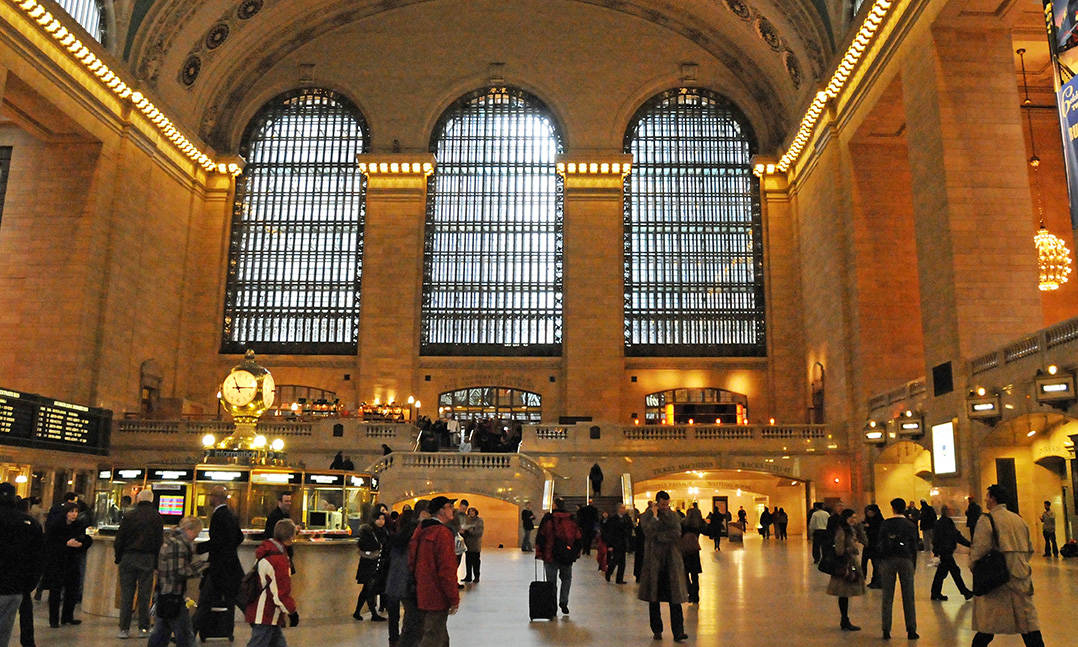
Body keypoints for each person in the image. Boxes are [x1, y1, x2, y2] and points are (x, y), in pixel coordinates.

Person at [970, 484, 1045, 647]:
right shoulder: (1018, 520)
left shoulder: (987, 520)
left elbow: (979, 550)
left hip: (997, 578)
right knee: (1028, 625)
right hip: (1020, 576)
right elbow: (1029, 549)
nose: (985, 499)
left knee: (987, 626)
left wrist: (974, 567)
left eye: (987, 496)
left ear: (993, 498)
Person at [147, 516, 207, 647]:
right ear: (188, 529)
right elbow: (178, 572)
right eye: (196, 533)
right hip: (173, 593)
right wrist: (199, 567)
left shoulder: (172, 541)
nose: (196, 537)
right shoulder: (178, 545)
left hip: (165, 593)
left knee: (161, 632)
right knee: (185, 635)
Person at [409, 497, 460, 647]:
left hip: (423, 590)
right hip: (438, 594)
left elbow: (412, 559)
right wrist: (453, 597)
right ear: (441, 511)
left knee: (439, 635)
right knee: (433, 636)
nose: (453, 510)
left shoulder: (421, 529)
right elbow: (447, 569)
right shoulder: (443, 533)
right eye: (450, 506)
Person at [193, 486, 244, 634]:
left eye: (211, 495)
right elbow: (238, 537)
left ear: (215, 497)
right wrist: (230, 549)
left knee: (205, 600)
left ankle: (190, 632)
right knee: (235, 599)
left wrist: (198, 548)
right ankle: (227, 630)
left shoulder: (218, 516)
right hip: (230, 566)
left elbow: (217, 541)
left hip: (218, 567)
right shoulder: (230, 514)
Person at [638, 492, 688, 643]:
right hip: (654, 562)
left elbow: (676, 532)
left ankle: (678, 632)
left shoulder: (673, 516)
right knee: (654, 598)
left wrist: (659, 536)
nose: (665, 507)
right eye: (662, 504)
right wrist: (654, 517)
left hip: (671, 561)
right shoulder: (647, 516)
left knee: (675, 599)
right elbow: (648, 531)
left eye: (667, 504)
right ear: (656, 503)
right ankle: (657, 629)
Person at [115, 488, 164, 638]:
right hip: (147, 558)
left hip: (128, 557)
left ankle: (124, 629)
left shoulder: (128, 516)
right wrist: (156, 563)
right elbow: (158, 542)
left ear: (138, 499)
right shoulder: (157, 517)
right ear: (152, 499)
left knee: (127, 594)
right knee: (144, 594)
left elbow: (120, 539)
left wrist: (118, 557)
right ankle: (144, 627)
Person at [244, 519, 299, 647]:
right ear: (291, 536)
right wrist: (292, 612)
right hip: (266, 613)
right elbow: (280, 593)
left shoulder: (267, 551)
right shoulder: (279, 560)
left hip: (262, 609)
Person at [0, 484, 43, 647]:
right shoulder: (30, 523)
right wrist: (30, 584)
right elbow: (39, 556)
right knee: (5, 630)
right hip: (17, 586)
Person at [43, 502, 92, 627]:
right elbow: (49, 543)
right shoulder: (56, 525)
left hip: (72, 561)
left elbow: (86, 539)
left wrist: (81, 544)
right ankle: (54, 620)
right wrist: (65, 544)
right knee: (56, 591)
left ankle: (67, 616)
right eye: (71, 511)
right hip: (58, 562)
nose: (74, 514)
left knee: (72, 589)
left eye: (76, 512)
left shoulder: (78, 525)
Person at [877, 498, 918, 640]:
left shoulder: (885, 524)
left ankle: (886, 629)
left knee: (887, 596)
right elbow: (914, 546)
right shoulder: (910, 525)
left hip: (888, 560)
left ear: (893, 508)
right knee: (908, 596)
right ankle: (911, 629)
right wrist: (914, 564)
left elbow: (880, 542)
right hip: (906, 559)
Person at [535, 497, 582, 615]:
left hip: (550, 554)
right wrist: (575, 552)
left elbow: (541, 536)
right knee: (566, 579)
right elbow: (578, 537)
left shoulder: (548, 518)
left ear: (555, 505)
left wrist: (539, 552)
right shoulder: (571, 519)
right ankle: (564, 601)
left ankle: (553, 606)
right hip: (566, 555)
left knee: (551, 582)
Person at [826, 509, 865, 631]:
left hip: (849, 562)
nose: (854, 520)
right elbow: (839, 550)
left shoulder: (851, 529)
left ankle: (845, 619)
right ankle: (844, 619)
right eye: (851, 518)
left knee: (845, 594)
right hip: (844, 564)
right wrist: (851, 548)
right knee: (843, 593)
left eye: (855, 517)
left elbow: (865, 541)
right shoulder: (842, 530)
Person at [930, 504, 972, 601]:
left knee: (942, 573)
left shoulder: (940, 522)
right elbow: (956, 536)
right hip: (946, 552)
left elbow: (936, 538)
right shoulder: (947, 522)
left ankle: (935, 593)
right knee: (954, 571)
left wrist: (936, 551)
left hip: (943, 551)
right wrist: (969, 544)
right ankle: (965, 592)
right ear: (947, 511)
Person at [354, 512, 387, 621]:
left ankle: (357, 612)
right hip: (369, 564)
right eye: (379, 519)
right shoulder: (368, 531)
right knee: (370, 589)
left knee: (366, 589)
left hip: (376, 564)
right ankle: (373, 614)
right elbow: (363, 545)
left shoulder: (383, 531)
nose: (381, 521)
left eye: (383, 519)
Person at [603, 504, 633, 584]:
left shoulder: (626, 518)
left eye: (624, 508)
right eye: (622, 508)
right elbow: (610, 532)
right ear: (618, 509)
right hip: (616, 543)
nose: (624, 509)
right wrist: (610, 545)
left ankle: (619, 579)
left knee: (622, 562)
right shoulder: (613, 519)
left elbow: (630, 528)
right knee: (615, 560)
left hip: (623, 542)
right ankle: (609, 572)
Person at [681, 506, 705, 604]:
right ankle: (696, 596)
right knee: (695, 575)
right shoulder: (698, 524)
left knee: (685, 573)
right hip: (694, 552)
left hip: (685, 551)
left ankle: (690, 592)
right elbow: (707, 531)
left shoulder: (683, 523)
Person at [460, 507, 484, 583]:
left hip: (475, 544)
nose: (471, 513)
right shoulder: (466, 520)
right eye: (470, 511)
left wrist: (469, 529)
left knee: (476, 562)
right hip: (468, 544)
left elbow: (478, 533)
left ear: (476, 512)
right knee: (468, 561)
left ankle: (476, 577)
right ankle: (468, 576)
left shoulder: (479, 521)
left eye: (472, 512)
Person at [862, 504, 883, 588]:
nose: (869, 514)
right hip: (868, 545)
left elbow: (879, 533)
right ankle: (863, 579)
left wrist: (869, 528)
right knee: (864, 563)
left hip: (876, 546)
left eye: (870, 512)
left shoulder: (879, 521)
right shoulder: (868, 520)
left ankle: (877, 581)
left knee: (876, 564)